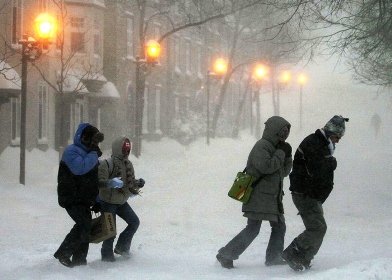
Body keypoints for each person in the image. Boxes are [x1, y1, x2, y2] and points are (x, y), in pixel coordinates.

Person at [216, 116, 293, 269]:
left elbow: (282, 172)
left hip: (272, 198)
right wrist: (280, 154)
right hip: (258, 196)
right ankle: (226, 254)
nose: (284, 136)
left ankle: (273, 257)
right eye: (282, 132)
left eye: (287, 133)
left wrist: (288, 156)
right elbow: (267, 167)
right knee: (253, 229)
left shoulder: (278, 148)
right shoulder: (262, 146)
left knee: (278, 227)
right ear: (274, 131)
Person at [282, 115, 349, 271]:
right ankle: (293, 253)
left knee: (318, 228)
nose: (337, 140)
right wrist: (331, 163)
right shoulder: (313, 142)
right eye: (337, 137)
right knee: (318, 228)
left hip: (310, 194)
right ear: (330, 132)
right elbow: (315, 169)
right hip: (305, 193)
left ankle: (302, 258)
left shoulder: (320, 143)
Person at [54, 123, 104, 267]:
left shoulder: (90, 155)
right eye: (92, 140)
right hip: (71, 197)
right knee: (83, 224)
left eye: (96, 141)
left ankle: (80, 260)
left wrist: (97, 200)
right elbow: (80, 169)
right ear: (83, 137)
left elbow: (92, 180)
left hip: (83, 199)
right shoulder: (71, 151)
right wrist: (94, 153)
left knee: (86, 227)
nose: (93, 144)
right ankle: (63, 253)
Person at [98, 136, 145, 262]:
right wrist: (109, 183)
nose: (125, 153)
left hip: (121, 202)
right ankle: (107, 258)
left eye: (127, 151)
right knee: (110, 233)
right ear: (117, 149)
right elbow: (98, 183)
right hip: (108, 203)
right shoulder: (106, 164)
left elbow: (127, 183)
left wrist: (137, 184)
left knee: (134, 222)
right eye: (123, 150)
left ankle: (122, 247)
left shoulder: (128, 164)